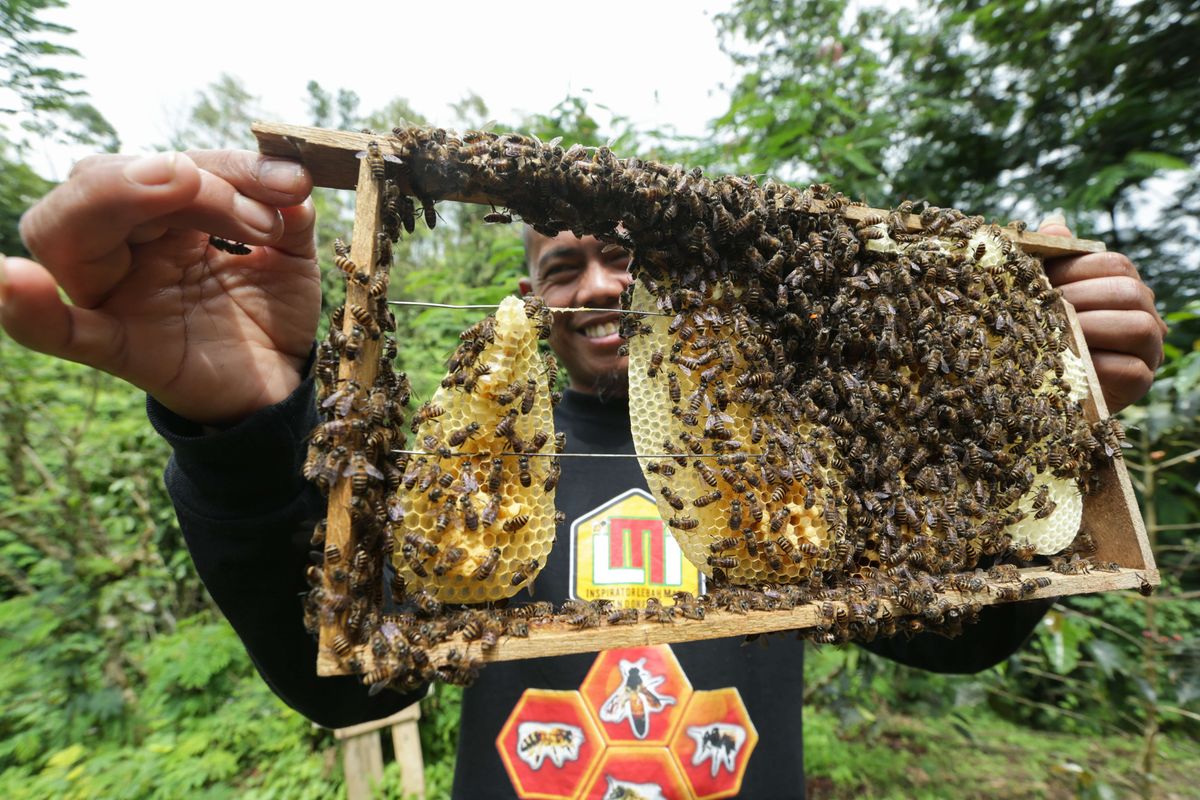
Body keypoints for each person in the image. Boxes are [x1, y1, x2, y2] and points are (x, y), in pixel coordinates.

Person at [2, 149, 1167, 798]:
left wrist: (1023, 414)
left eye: (629, 255)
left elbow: (953, 635)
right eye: (565, 263)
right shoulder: (461, 468)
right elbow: (347, 682)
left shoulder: (799, 454)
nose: (604, 285)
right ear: (530, 301)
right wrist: (251, 430)